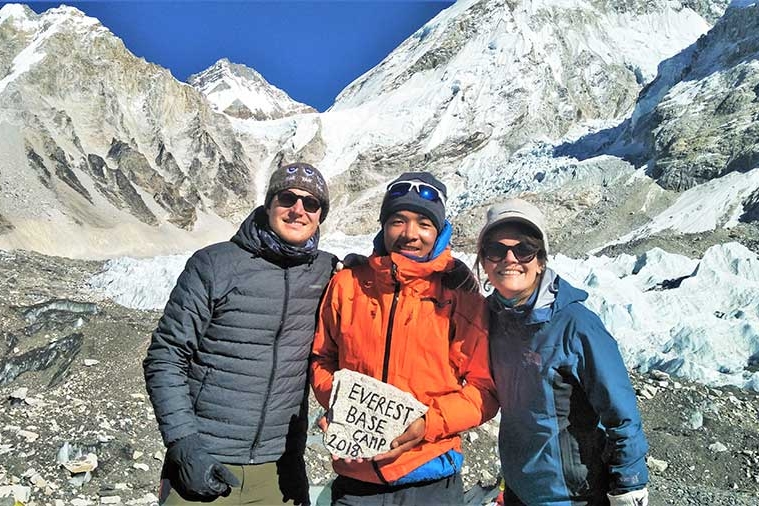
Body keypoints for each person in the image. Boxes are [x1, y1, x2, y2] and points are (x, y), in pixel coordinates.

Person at [143, 162, 337, 505]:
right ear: (268, 204)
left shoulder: (327, 272)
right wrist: (184, 445)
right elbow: (166, 357)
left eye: (311, 204)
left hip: (280, 472)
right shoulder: (214, 264)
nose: (298, 210)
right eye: (287, 198)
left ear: (320, 215)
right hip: (206, 460)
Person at [311, 171, 499, 505]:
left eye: (424, 224)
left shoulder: (460, 293)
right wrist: (340, 403)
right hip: (357, 477)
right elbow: (322, 359)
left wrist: (426, 424)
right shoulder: (348, 285)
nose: (410, 234)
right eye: (398, 220)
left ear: (439, 231)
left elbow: (483, 390)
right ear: (383, 226)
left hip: (431, 478)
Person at [476, 198, 650, 506]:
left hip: (572, 495)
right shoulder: (490, 319)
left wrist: (629, 482)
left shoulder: (577, 325)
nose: (510, 258)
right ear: (484, 261)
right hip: (519, 489)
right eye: (496, 249)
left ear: (541, 259)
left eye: (524, 249)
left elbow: (620, 410)